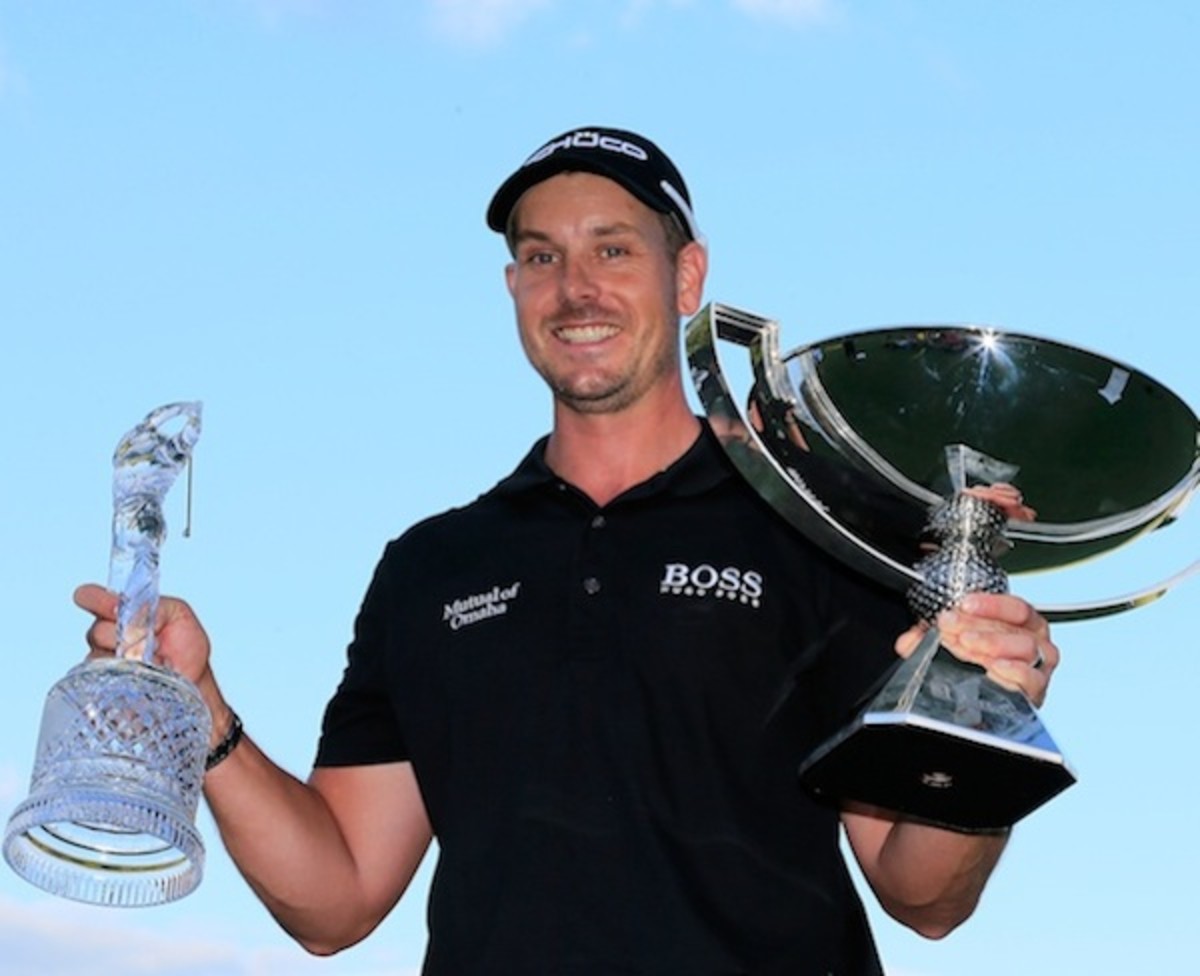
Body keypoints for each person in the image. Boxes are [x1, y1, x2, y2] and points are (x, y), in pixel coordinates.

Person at [76, 126, 1059, 975]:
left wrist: (980, 712)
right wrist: (198, 712)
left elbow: (924, 894)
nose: (575, 288)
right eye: (541, 257)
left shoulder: (814, 536)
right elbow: (336, 899)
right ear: (512, 286)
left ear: (687, 276)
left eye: (613, 249)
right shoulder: (432, 566)